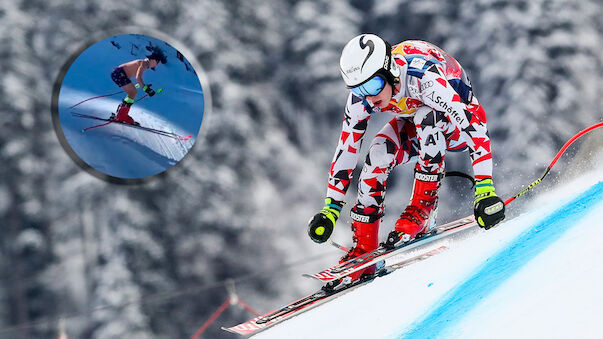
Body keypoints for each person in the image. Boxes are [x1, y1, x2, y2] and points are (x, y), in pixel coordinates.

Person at [307, 34, 505, 283]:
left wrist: (485, 189)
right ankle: (365, 247)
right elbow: (346, 148)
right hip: (415, 121)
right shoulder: (363, 98)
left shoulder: (424, 80)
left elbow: (475, 128)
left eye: (373, 87)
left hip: (457, 129)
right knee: (378, 152)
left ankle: (422, 208)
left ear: (389, 71)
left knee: (426, 117)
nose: (368, 98)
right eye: (358, 90)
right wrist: (331, 208)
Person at [109, 49, 167, 125]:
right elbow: (138, 77)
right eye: (157, 62)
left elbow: (136, 77)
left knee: (132, 92)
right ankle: (122, 115)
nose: (157, 65)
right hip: (119, 73)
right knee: (133, 92)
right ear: (153, 59)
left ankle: (121, 114)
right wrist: (146, 89)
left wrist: (142, 85)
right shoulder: (144, 63)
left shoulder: (144, 63)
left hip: (118, 73)